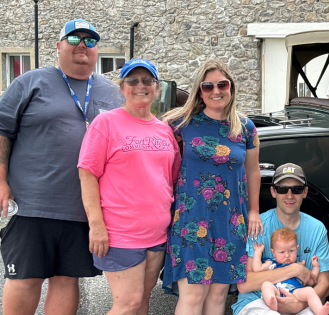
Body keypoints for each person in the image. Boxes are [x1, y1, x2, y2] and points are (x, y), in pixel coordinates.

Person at [0, 19, 121, 315]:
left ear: (97, 50)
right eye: (74, 38)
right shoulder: (31, 81)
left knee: (67, 280)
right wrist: (1, 181)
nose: (83, 45)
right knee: (25, 279)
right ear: (58, 45)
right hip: (32, 205)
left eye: (90, 40)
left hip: (84, 209)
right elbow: (2, 130)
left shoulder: (111, 92)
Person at [77, 58, 181, 314]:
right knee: (128, 303)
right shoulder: (107, 123)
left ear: (157, 88)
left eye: (147, 81)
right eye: (133, 81)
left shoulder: (164, 130)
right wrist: (96, 225)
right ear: (122, 87)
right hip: (120, 233)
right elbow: (87, 174)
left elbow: (172, 176)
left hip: (157, 233)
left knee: (143, 299)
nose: (140, 86)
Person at [162, 60, 262, 315]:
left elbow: (253, 171)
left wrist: (253, 212)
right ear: (199, 90)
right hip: (191, 219)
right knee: (194, 293)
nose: (216, 90)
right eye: (208, 86)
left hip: (230, 220)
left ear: (231, 87)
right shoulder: (180, 123)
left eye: (222, 84)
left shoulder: (245, 127)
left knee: (218, 295)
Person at [232, 163, 329, 315]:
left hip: (299, 298)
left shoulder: (317, 228)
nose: (289, 195)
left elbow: (325, 284)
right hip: (257, 301)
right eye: (282, 189)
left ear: (305, 192)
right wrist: (293, 269)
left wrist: (299, 304)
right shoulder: (258, 225)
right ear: (273, 192)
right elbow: (245, 284)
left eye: (297, 189)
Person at [253, 228, 329, 315]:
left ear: (297, 249)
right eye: (282, 252)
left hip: (295, 293)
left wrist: (316, 267)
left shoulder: (299, 266)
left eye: (291, 251)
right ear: (273, 252)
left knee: (310, 290)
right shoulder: (271, 263)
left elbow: (310, 281)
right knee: (266, 285)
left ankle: (319, 310)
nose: (287, 255)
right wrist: (258, 252)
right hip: (276, 291)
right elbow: (257, 268)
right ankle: (271, 302)